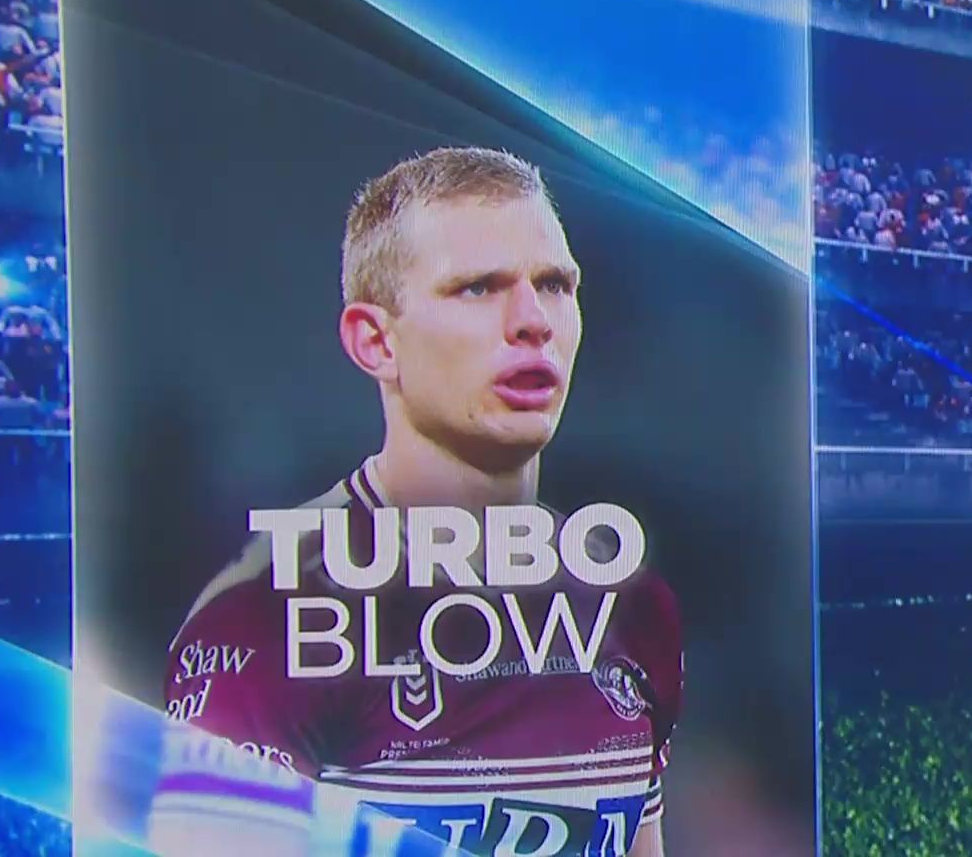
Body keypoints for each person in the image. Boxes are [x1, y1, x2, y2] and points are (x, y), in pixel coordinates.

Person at [152, 147, 681, 857]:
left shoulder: (631, 602)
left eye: (556, 285)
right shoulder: (268, 617)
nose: (534, 321)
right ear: (376, 341)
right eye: (478, 288)